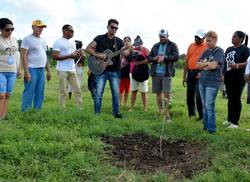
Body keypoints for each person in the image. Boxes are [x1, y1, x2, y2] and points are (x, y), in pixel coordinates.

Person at [86, 19, 124, 118]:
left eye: (116, 28)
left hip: (114, 71)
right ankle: (97, 113)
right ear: (107, 27)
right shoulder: (99, 38)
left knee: (116, 93)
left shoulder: (119, 41)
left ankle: (116, 113)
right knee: (98, 93)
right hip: (100, 71)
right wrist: (97, 55)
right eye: (112, 27)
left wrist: (129, 49)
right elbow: (88, 48)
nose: (114, 29)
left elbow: (125, 54)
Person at [196, 31, 224, 134]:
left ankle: (212, 130)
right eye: (206, 40)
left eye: (209, 40)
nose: (207, 43)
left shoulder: (219, 51)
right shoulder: (205, 51)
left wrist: (205, 65)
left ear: (215, 40)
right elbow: (197, 65)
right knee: (204, 105)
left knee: (209, 105)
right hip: (202, 81)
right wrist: (208, 64)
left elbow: (213, 66)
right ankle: (205, 127)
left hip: (212, 82)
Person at [148, 29, 179, 121]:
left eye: (163, 36)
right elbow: (149, 58)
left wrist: (164, 58)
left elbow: (176, 56)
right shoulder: (155, 46)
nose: (162, 38)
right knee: (158, 94)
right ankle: (161, 111)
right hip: (156, 73)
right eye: (160, 36)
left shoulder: (173, 45)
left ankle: (167, 115)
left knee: (167, 95)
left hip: (166, 73)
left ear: (167, 36)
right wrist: (155, 58)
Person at [21, 20, 51, 112]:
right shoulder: (27, 39)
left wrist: (48, 71)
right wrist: (27, 72)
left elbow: (45, 56)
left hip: (41, 69)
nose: (41, 29)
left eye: (42, 27)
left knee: (40, 91)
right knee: (29, 90)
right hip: (31, 69)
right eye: (38, 27)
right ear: (33, 27)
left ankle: (37, 110)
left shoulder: (42, 40)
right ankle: (25, 110)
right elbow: (24, 55)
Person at [52, 24, 82, 110]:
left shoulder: (72, 42)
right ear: (65, 31)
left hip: (72, 69)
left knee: (77, 90)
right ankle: (62, 109)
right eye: (71, 31)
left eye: (73, 31)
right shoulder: (58, 42)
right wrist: (69, 56)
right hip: (62, 70)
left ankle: (79, 109)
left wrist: (77, 55)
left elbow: (73, 55)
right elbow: (54, 57)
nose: (73, 32)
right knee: (63, 91)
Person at [223, 31, 249, 128]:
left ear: (241, 39)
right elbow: (225, 63)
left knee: (236, 98)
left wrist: (237, 65)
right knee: (230, 98)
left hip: (239, 77)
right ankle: (229, 119)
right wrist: (223, 74)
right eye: (232, 36)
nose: (232, 38)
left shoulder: (245, 49)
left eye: (234, 37)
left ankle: (235, 122)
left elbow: (248, 63)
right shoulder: (228, 49)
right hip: (228, 77)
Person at [183, 30, 207, 120]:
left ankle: (201, 116)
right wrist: (184, 76)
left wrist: (202, 73)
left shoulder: (206, 47)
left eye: (199, 38)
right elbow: (186, 61)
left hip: (200, 73)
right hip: (190, 73)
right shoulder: (191, 45)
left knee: (198, 96)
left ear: (203, 38)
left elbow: (209, 62)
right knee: (189, 95)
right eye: (195, 37)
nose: (196, 39)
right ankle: (191, 115)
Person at [0, 18, 21, 120]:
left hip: (12, 70)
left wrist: (19, 70)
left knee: (8, 95)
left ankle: (3, 116)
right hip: (1, 71)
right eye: (7, 30)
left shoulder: (14, 40)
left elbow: (17, 54)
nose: (10, 32)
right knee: (1, 95)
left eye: (12, 29)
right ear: (1, 29)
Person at [129, 36, 149, 112]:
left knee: (143, 91)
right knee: (134, 91)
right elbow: (128, 57)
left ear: (142, 44)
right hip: (133, 72)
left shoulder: (145, 50)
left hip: (143, 73)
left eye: (139, 44)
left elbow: (149, 60)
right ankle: (131, 107)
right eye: (136, 45)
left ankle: (145, 108)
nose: (138, 46)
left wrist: (140, 62)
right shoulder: (132, 50)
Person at [119, 36, 133, 106]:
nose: (126, 42)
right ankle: (120, 103)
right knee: (121, 89)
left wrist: (127, 54)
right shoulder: (121, 49)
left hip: (129, 71)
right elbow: (119, 59)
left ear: (130, 42)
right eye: (125, 41)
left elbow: (131, 60)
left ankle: (125, 103)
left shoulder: (132, 49)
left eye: (128, 41)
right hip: (121, 71)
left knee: (127, 89)